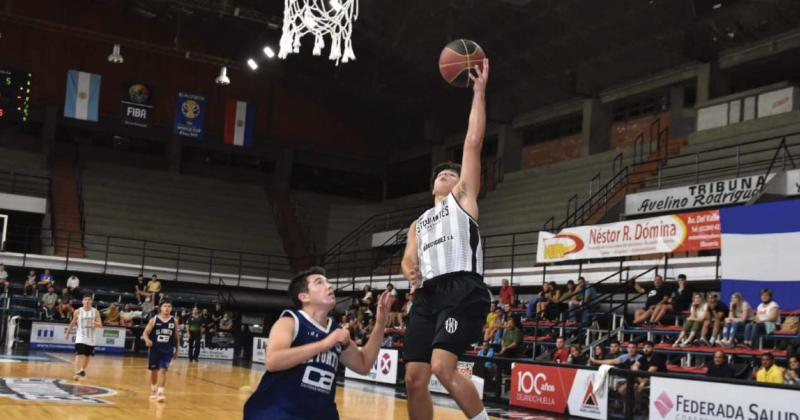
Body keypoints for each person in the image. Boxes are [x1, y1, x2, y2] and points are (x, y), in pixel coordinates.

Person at [399, 59, 491, 420]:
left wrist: (479, 92)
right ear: (432, 185)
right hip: (427, 295)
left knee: (442, 366)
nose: (448, 175)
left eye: (453, 173)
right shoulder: (418, 222)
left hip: (461, 288)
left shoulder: (463, 199)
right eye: (442, 174)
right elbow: (408, 258)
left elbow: (473, 142)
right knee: (413, 377)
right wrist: (411, 271)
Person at [243, 267, 393, 419]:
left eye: (328, 282)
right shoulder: (290, 322)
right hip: (278, 412)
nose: (329, 286)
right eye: (319, 283)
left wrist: (380, 324)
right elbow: (273, 361)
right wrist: (326, 343)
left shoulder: (335, 330)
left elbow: (364, 365)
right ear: (304, 296)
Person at [142, 301, 180, 402]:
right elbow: (145, 333)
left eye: (169, 306)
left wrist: (177, 350)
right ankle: (154, 389)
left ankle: (161, 392)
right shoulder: (154, 319)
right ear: (160, 308)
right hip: (155, 349)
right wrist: (147, 340)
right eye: (165, 306)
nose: (167, 308)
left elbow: (176, 336)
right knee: (154, 371)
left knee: (163, 370)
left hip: (168, 349)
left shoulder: (174, 321)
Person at [65, 294, 102, 381]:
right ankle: (77, 372)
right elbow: (73, 322)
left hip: (91, 338)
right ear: (82, 301)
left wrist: (93, 322)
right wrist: (68, 332)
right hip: (80, 337)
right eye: (85, 299)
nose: (87, 301)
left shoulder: (95, 312)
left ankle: (82, 370)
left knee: (87, 356)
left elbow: (100, 325)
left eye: (89, 299)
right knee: (78, 354)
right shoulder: (78, 311)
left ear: (91, 301)